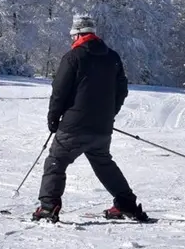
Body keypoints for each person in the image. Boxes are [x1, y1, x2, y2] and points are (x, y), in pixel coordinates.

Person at [32, 14, 148, 223]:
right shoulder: (112, 57)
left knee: (56, 161)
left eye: (73, 36)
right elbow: (122, 90)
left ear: (78, 35)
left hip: (73, 127)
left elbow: (59, 91)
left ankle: (49, 207)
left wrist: (53, 118)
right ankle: (127, 204)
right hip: (101, 128)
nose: (72, 40)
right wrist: (108, 114)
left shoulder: (73, 57)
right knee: (104, 164)